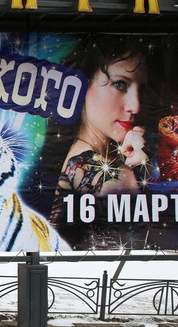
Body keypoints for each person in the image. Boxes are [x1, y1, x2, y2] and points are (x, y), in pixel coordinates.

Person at [47, 36, 150, 249]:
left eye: (141, 89)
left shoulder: (86, 156)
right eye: (120, 84)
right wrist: (140, 165)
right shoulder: (95, 169)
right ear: (82, 87)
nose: (135, 106)